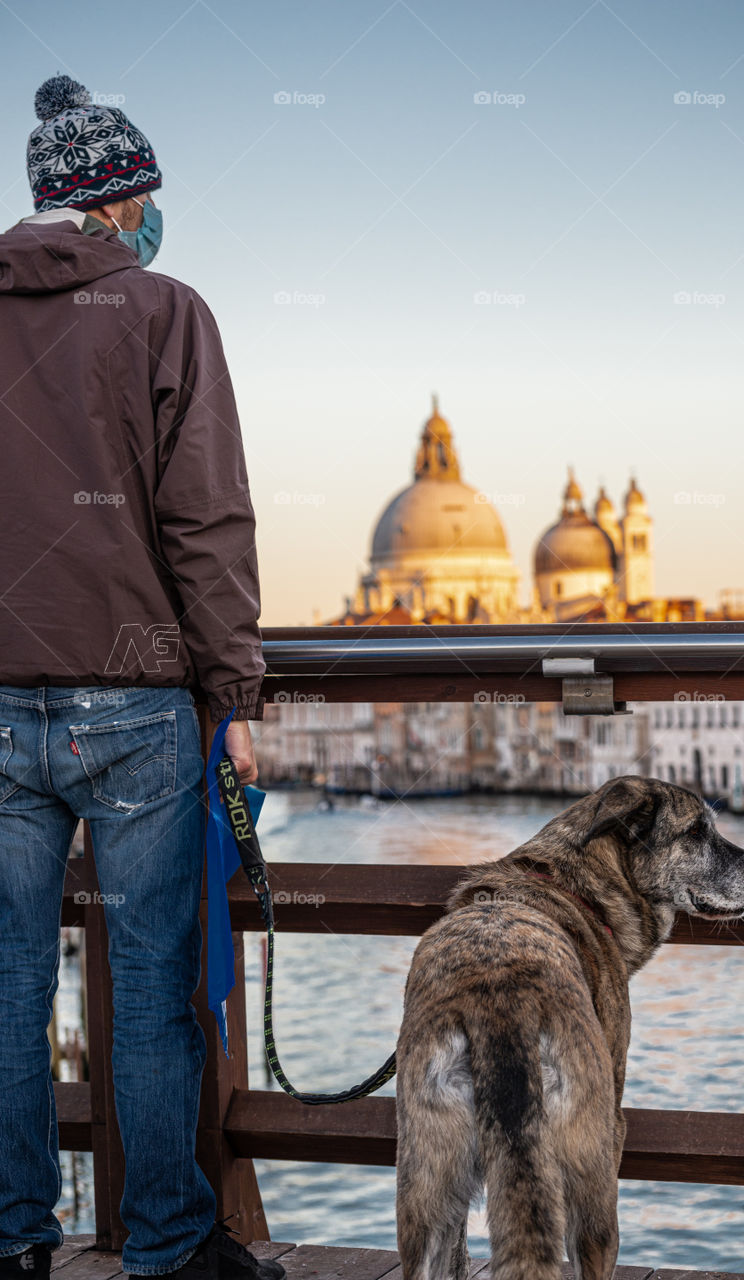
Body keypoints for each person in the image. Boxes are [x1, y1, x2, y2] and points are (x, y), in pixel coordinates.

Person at [0, 76, 283, 1280]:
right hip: (134, 702)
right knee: (155, 984)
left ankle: (14, 1236)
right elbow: (205, 520)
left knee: (8, 983)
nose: (156, 213)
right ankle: (168, 1244)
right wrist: (234, 698)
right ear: (114, 202)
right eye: (149, 194)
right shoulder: (164, 311)